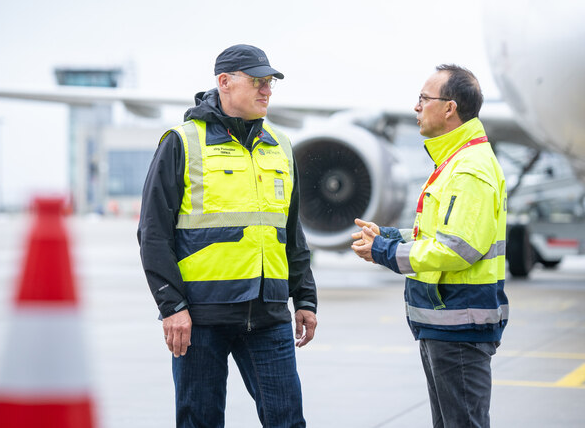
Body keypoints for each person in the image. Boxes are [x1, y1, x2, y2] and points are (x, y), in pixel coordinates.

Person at [138, 44, 318, 428]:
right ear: (224, 82)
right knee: (199, 422)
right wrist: (172, 307)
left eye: (270, 82)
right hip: (201, 317)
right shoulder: (182, 142)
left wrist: (304, 297)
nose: (266, 90)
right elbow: (153, 234)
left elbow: (290, 232)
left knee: (288, 421)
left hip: (269, 314)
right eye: (257, 81)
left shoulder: (281, 146)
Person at [351, 64, 508, 428]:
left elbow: (457, 248)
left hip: (459, 324)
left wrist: (384, 252)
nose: (416, 107)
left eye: (424, 98)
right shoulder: (455, 161)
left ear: (450, 108)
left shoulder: (469, 169)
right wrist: (388, 236)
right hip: (446, 323)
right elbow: (440, 235)